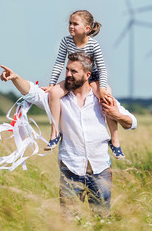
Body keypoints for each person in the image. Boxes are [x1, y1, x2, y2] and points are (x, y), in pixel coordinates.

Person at [0, 51, 138, 216]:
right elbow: (33, 92)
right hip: (70, 169)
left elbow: (132, 123)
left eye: (74, 71)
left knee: (102, 220)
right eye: (67, 70)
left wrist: (117, 115)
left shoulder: (101, 98)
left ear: (87, 75)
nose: (68, 75)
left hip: (101, 170)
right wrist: (15, 77)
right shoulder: (57, 99)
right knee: (69, 222)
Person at [43, 10, 125, 160]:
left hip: (92, 78)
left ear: (87, 28)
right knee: (54, 93)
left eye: (75, 24)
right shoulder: (66, 41)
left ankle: (115, 141)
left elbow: (102, 68)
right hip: (73, 77)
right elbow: (59, 63)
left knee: (107, 97)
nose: (71, 26)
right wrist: (51, 84)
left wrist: (102, 88)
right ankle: (55, 132)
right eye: (70, 23)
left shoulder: (93, 44)